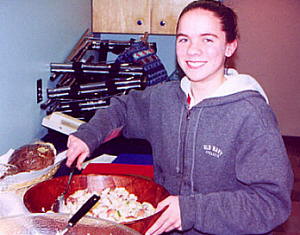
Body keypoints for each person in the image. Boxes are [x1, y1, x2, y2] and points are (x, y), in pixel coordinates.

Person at [66, 0, 294, 234]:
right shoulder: (164, 98)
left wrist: (191, 210)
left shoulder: (251, 116)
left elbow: (271, 203)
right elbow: (123, 109)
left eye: (207, 39)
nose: (192, 50)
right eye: (184, 39)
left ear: (229, 46)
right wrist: (89, 135)